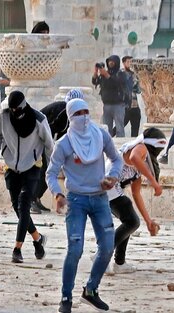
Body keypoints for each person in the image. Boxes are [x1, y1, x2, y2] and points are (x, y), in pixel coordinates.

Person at [46, 99, 123, 313]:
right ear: (71, 117)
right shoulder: (64, 144)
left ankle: (91, 290)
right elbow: (51, 173)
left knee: (107, 246)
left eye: (86, 111)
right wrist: (58, 194)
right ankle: (66, 297)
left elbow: (117, 159)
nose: (84, 116)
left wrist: (113, 177)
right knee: (75, 250)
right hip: (76, 201)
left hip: (100, 199)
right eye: (78, 113)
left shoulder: (100, 135)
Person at [0, 91, 54, 263]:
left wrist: (52, 169)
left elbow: (49, 145)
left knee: (24, 205)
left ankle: (17, 249)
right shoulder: (3, 118)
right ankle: (37, 239)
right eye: (12, 109)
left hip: (32, 167)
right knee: (17, 207)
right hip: (11, 167)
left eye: (17, 108)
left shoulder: (39, 119)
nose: (14, 112)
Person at [105, 128, 165, 274]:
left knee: (129, 222)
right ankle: (103, 254)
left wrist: (148, 221)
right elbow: (134, 157)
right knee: (131, 221)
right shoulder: (139, 147)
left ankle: (119, 262)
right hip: (107, 185)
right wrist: (154, 183)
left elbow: (136, 194)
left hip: (112, 190)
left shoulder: (138, 169)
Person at [31, 89, 85, 214]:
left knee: (50, 170)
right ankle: (31, 200)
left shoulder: (70, 116)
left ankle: (36, 198)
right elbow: (47, 128)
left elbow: (63, 135)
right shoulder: (63, 109)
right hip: (36, 138)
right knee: (45, 169)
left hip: (45, 140)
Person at [92, 55, 128, 137]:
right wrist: (95, 72)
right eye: (109, 61)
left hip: (118, 105)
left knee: (119, 128)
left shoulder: (121, 74)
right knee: (107, 130)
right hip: (107, 105)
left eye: (113, 61)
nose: (110, 63)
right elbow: (95, 82)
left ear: (117, 62)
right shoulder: (104, 74)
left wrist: (106, 74)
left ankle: (120, 146)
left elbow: (116, 83)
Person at [120, 56, 142, 137]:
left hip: (135, 106)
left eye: (131, 62)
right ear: (124, 63)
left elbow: (139, 90)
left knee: (135, 131)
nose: (130, 64)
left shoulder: (133, 74)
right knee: (119, 127)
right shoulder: (120, 74)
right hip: (125, 107)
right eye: (128, 62)